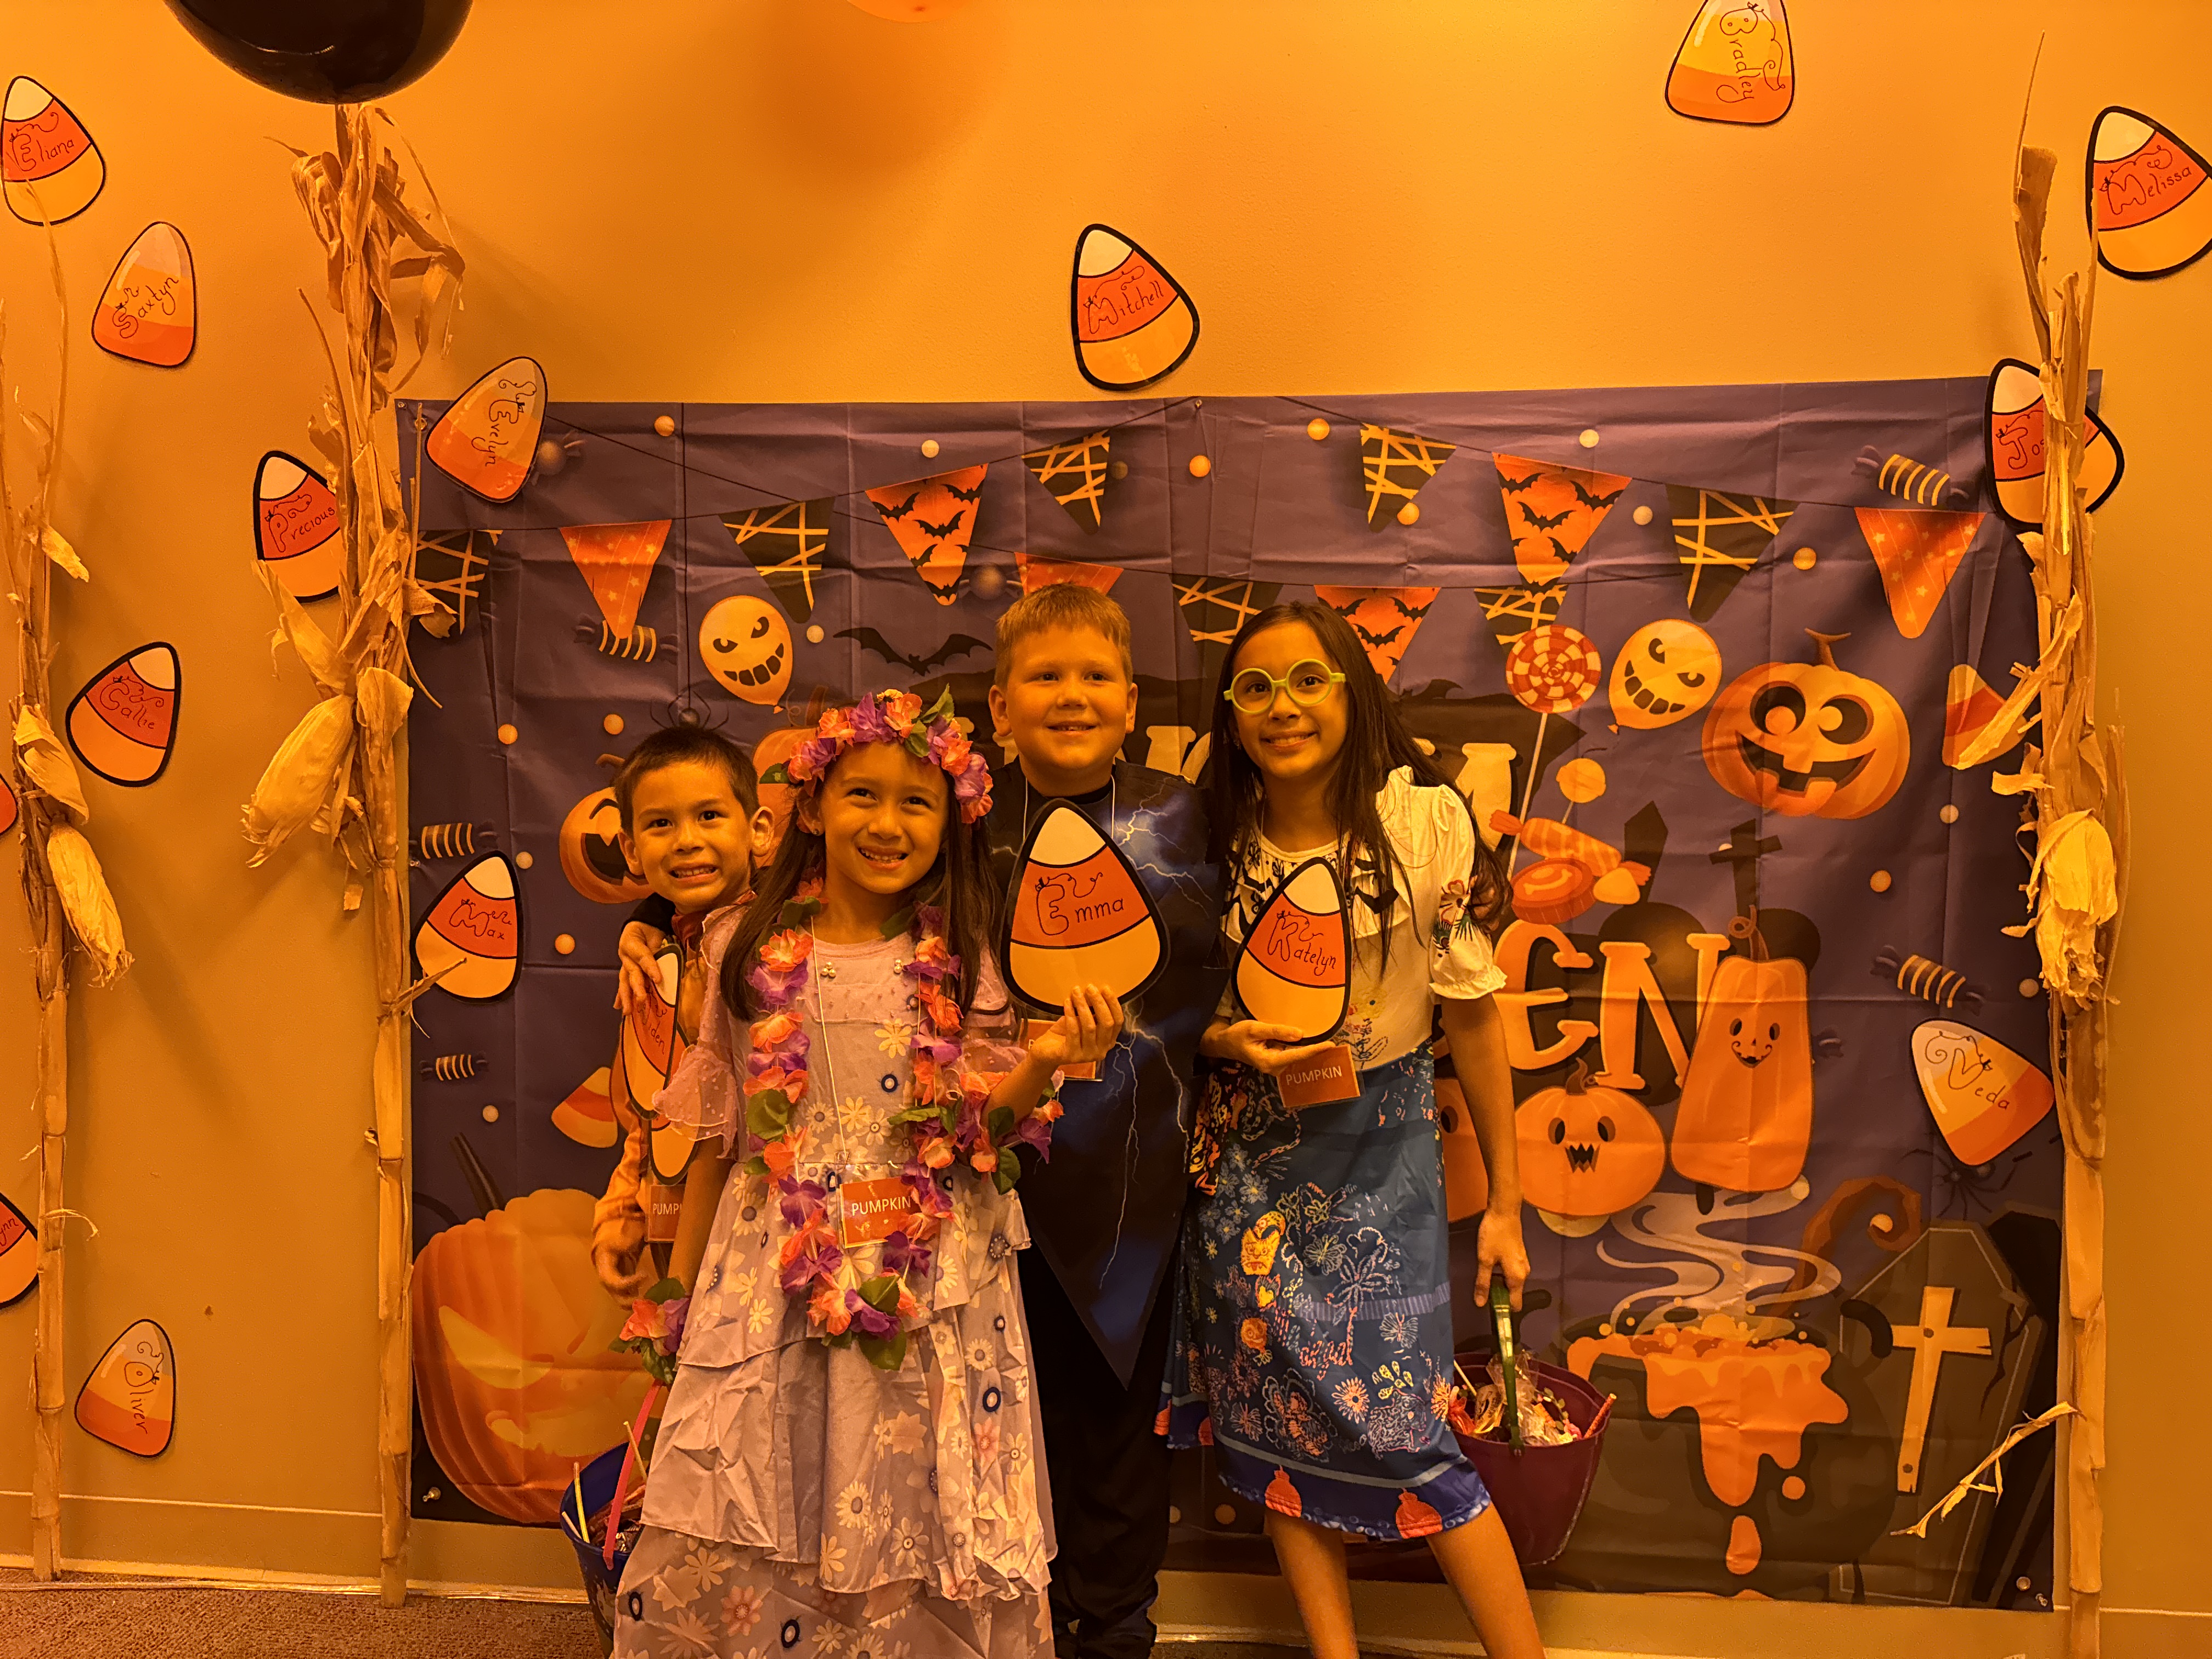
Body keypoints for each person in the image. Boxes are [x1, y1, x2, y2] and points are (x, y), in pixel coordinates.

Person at [611, 689, 1125, 1659]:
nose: (887, 823)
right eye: (862, 795)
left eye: (915, 802)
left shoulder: (965, 953)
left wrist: (1047, 1059)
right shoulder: (741, 947)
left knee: (913, 1492)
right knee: (764, 1476)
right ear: (811, 806)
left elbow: (982, 1134)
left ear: (950, 819)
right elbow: (723, 1144)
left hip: (929, 1270)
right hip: (771, 1269)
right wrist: (678, 1307)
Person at [1162, 602, 1545, 1659]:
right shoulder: (1206, 837)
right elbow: (1178, 1011)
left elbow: (1472, 1014)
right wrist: (1222, 1039)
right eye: (1254, 686)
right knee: (1273, 1417)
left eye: (1308, 679)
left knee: (1409, 1431)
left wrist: (1507, 1202)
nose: (1281, 706)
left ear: (1352, 691)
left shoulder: (1422, 821)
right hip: (1247, 1172)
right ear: (1230, 712)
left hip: (1383, 1160)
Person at [980, 583, 1227, 1659]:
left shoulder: (1187, 817)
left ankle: (1117, 1626)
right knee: (1006, 1415)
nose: (1070, 695)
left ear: (1131, 704)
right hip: (992, 1178)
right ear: (1001, 707)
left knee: (1123, 1421)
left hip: (1142, 1183)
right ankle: (1018, 1617)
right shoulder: (960, 826)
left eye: (1094, 676)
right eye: (1045, 676)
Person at [589, 724, 774, 1300]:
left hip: (775, 1242)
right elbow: (654, 1103)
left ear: (758, 829)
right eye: (660, 824)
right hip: (681, 1241)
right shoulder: (654, 961)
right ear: (631, 850)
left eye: (709, 816)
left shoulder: (788, 948)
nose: (686, 841)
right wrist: (623, 1214)